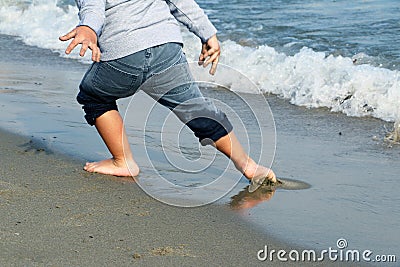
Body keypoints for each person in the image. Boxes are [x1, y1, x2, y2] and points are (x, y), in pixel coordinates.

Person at [59, 0, 276, 192]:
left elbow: (93, 7)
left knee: (93, 95)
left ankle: (123, 161)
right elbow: (181, 3)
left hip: (124, 55)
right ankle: (249, 165)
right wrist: (208, 33)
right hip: (166, 49)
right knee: (196, 109)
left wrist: (88, 28)